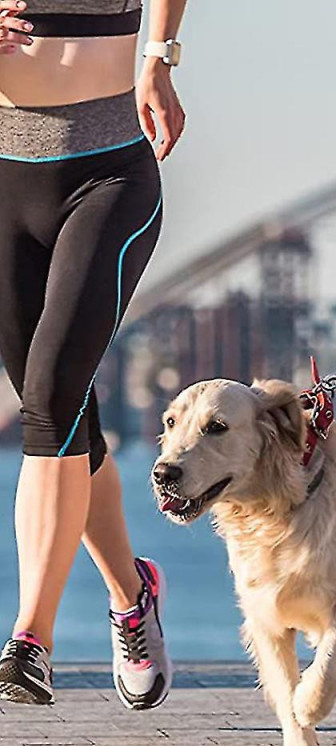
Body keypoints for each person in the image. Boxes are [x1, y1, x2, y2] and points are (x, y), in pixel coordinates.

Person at [0, 0, 187, 708]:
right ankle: (132, 595)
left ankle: (30, 642)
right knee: (67, 416)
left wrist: (160, 56)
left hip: (107, 173)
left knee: (49, 399)